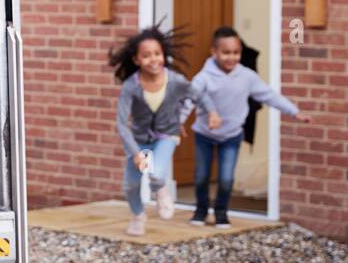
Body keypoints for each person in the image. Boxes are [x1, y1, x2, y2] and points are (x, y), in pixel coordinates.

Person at [188, 26, 309, 229]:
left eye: (236, 53)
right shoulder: (203, 78)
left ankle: (221, 213)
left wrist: (293, 111)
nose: (231, 57)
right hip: (204, 134)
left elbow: (269, 95)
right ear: (214, 52)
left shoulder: (247, 76)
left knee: (226, 178)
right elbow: (188, 100)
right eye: (226, 52)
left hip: (232, 135)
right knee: (201, 176)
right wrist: (174, 124)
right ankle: (200, 210)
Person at [108, 25, 215, 237]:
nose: (153, 59)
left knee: (156, 174)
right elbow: (122, 123)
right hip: (139, 141)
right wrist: (135, 152)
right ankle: (138, 216)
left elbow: (198, 95)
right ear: (137, 60)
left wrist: (212, 112)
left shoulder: (174, 81)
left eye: (157, 54)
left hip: (166, 136)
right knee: (131, 184)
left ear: (163, 55)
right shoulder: (132, 86)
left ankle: (162, 192)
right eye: (146, 56)